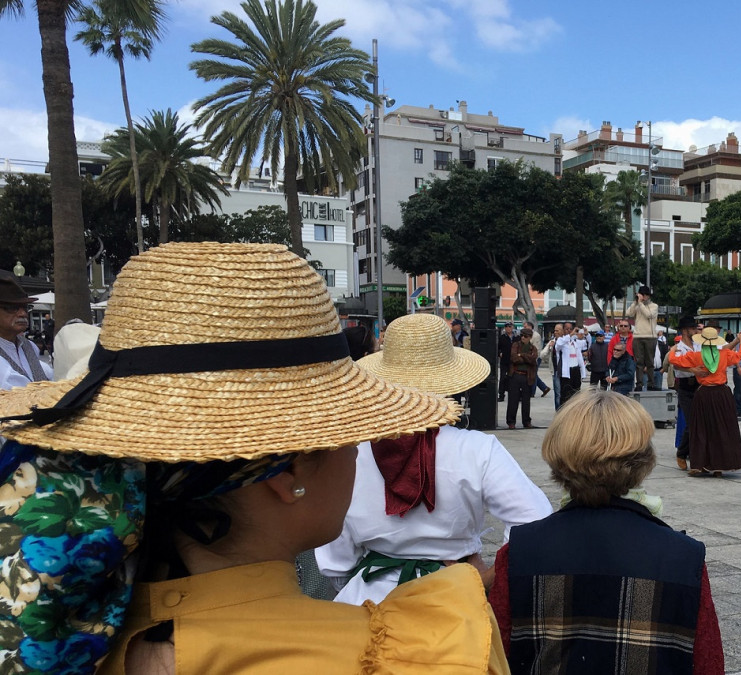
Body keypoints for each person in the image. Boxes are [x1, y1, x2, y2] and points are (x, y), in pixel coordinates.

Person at [0, 242, 506, 674]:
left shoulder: (59, 645)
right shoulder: (424, 651)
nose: (357, 449)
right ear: (290, 471)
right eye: (347, 435)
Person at [318, 313, 552, 605]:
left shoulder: (352, 451)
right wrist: (488, 579)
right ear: (450, 383)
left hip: (365, 605)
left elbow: (334, 562)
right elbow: (536, 522)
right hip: (454, 603)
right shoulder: (476, 449)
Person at [487, 390, 724, 674]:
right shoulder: (684, 557)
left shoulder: (518, 552)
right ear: (643, 460)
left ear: (557, 457)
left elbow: (495, 660)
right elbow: (708, 666)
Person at [667, 326, 741, 476]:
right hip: (721, 394)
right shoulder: (724, 354)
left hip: (704, 394)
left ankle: (700, 464)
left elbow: (673, 360)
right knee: (721, 429)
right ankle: (718, 467)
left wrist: (673, 349)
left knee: (701, 429)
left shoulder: (696, 356)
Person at [0, 277, 48, 389]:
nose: (23, 314)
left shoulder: (29, 346)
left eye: (25, 308)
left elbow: (47, 375)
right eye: (12, 308)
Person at [672, 317, 702, 469]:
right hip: (685, 386)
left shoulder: (698, 345)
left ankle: (696, 453)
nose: (695, 330)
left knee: (700, 422)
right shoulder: (678, 347)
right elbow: (677, 365)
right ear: (685, 330)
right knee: (691, 422)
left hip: (698, 385)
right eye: (692, 328)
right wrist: (691, 369)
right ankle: (681, 453)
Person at [626, 285, 660, 391]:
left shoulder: (654, 306)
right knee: (639, 362)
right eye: (641, 295)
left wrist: (640, 303)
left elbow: (649, 315)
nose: (643, 297)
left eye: (644, 295)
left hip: (650, 336)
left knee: (650, 362)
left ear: (648, 296)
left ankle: (651, 383)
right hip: (638, 336)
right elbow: (629, 313)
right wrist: (636, 302)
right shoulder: (637, 305)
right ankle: (639, 384)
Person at [506, 328, 540, 428]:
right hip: (516, 375)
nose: (523, 338)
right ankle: (511, 422)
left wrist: (522, 355)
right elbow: (514, 358)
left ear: (530, 337)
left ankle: (526, 421)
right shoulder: (516, 345)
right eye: (522, 335)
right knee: (513, 400)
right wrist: (526, 358)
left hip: (527, 376)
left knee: (526, 401)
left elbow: (533, 360)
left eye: (525, 336)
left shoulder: (533, 348)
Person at [497, 323, 515, 401]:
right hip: (504, 361)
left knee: (513, 378)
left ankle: (515, 394)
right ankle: (501, 394)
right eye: (506, 327)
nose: (508, 328)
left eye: (510, 327)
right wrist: (499, 353)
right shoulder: (502, 337)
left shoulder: (516, 337)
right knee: (503, 378)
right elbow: (497, 347)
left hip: (514, 361)